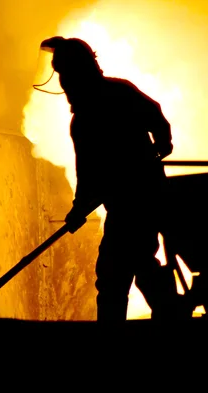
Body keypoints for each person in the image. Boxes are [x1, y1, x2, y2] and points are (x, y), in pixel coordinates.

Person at [34, 36, 185, 322]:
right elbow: (89, 172)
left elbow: (88, 172)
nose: (62, 81)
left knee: (117, 272)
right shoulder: (112, 97)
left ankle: (148, 322)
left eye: (64, 72)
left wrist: (163, 141)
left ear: (77, 71)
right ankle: (170, 314)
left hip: (138, 201)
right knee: (138, 265)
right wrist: (79, 208)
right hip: (135, 200)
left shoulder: (97, 108)